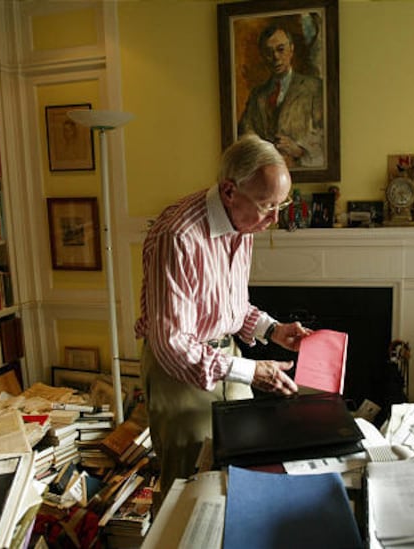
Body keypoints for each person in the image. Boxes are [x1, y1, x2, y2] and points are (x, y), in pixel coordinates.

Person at [134, 135, 313, 499]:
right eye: (267, 205)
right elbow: (171, 343)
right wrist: (249, 371)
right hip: (178, 374)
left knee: (240, 473)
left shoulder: (244, 222)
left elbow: (228, 304)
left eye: (282, 204)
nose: (275, 218)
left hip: (226, 359)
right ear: (230, 191)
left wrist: (272, 329)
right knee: (187, 488)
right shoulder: (177, 235)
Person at [237, 23, 324, 169]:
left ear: (292, 49)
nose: (275, 57)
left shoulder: (314, 88)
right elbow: (244, 136)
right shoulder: (257, 95)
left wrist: (299, 151)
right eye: (269, 52)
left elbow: (327, 137)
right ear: (263, 56)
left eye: (280, 49)